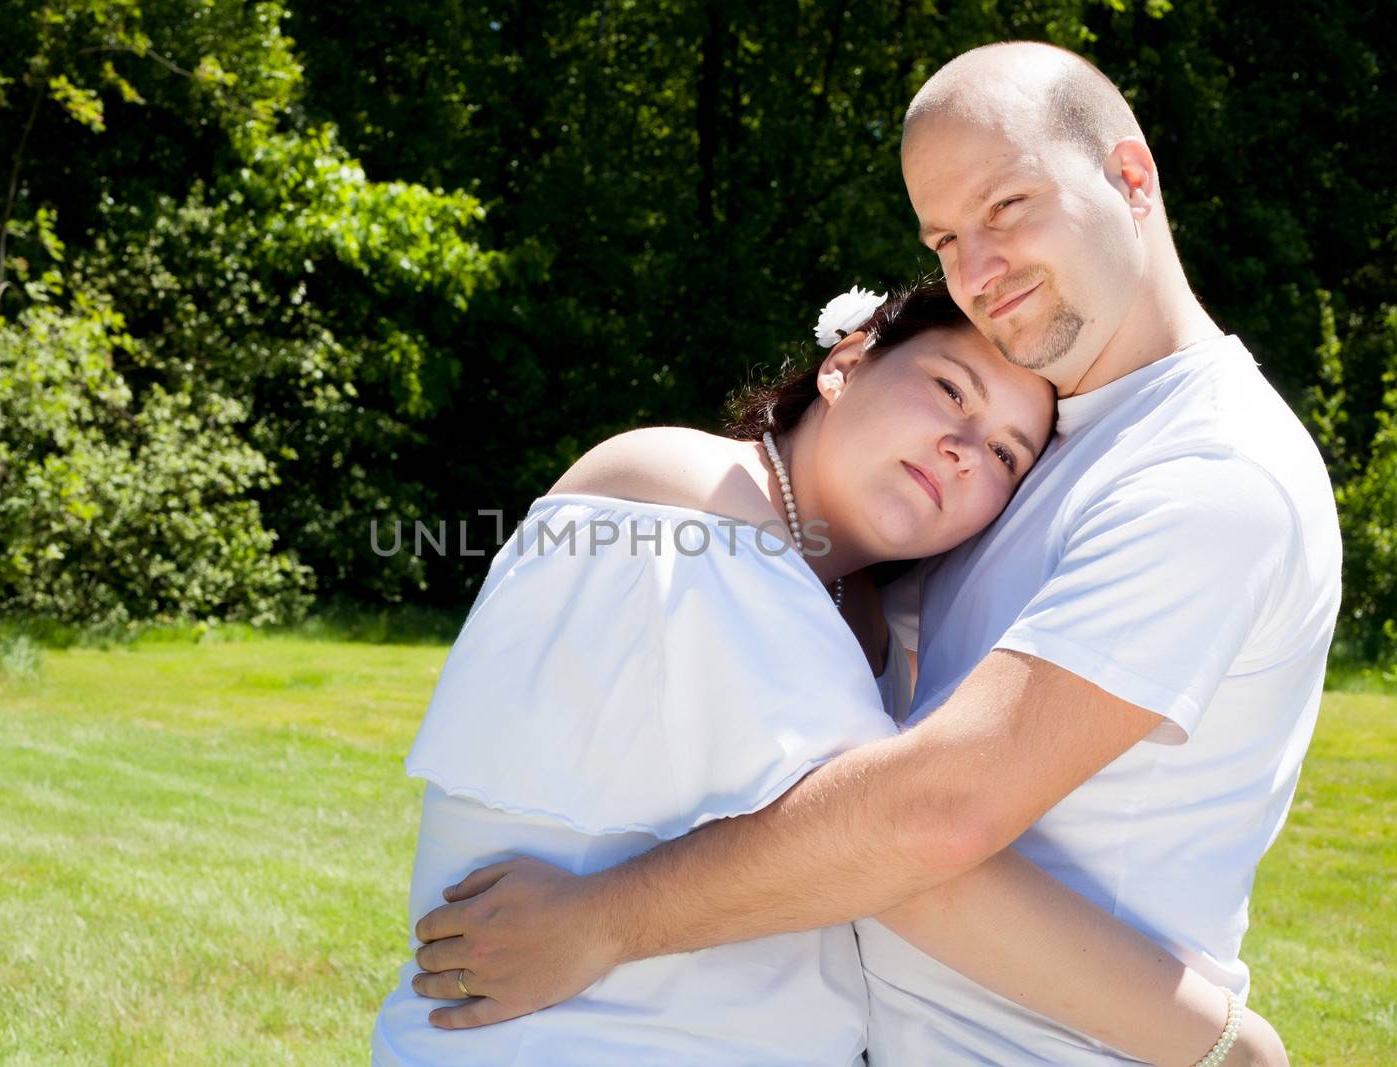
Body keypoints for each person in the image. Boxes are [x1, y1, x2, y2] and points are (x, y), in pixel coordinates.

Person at [410, 41, 1337, 1067]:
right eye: (944, 237)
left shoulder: (1206, 471)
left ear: (1129, 178)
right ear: (846, 360)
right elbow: (878, 811)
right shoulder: (727, 509)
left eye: (1006, 206)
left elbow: (920, 817)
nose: (977, 270)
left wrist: (1222, 1045)